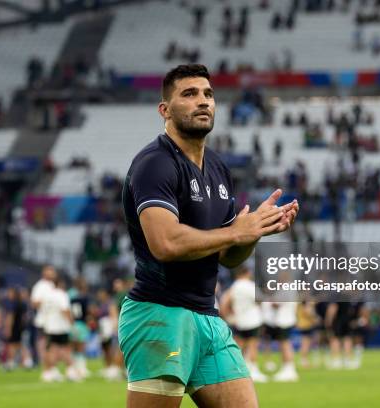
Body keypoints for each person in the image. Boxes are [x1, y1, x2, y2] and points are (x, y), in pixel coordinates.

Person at [119, 64, 298, 408]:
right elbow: (166, 243)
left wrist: (253, 232)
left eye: (208, 94)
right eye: (189, 94)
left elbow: (228, 256)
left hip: (207, 316)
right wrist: (234, 232)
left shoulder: (218, 168)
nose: (202, 101)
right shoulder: (154, 164)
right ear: (165, 110)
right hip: (159, 315)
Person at [220, 266, 266, 382]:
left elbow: (225, 303)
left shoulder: (234, 286)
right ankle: (253, 370)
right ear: (247, 272)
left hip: (239, 321)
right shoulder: (249, 286)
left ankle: (235, 370)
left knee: (239, 346)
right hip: (253, 320)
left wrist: (227, 317)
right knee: (252, 345)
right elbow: (260, 299)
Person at [31, 265, 56, 380]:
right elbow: (34, 303)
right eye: (50, 271)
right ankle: (46, 370)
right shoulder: (39, 286)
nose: (52, 273)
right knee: (44, 346)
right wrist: (46, 302)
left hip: (54, 321)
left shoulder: (53, 286)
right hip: (43, 321)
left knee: (52, 346)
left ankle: (51, 368)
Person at [68, 277, 90, 378]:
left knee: (73, 347)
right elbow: (86, 311)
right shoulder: (83, 297)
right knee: (80, 347)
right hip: (80, 323)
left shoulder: (69, 294)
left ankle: (74, 369)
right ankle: (81, 368)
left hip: (72, 323)